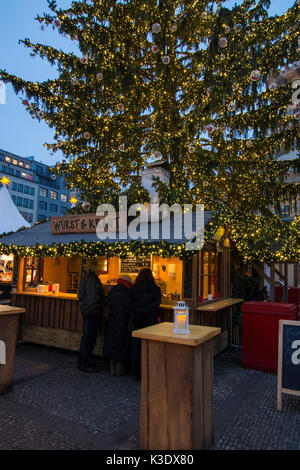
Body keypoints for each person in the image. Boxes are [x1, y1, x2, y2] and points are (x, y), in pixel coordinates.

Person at [129, 268, 161, 380]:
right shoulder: (156, 289)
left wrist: (139, 311)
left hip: (136, 321)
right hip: (150, 321)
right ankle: (148, 372)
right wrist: (148, 310)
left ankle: (136, 373)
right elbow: (157, 303)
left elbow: (130, 304)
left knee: (136, 348)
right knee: (149, 347)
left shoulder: (133, 288)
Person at [78, 259, 105, 372]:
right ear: (94, 267)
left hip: (88, 312)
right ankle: (85, 363)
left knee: (88, 337)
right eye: (100, 266)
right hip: (92, 313)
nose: (101, 269)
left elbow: (82, 296)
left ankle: (85, 360)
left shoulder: (86, 277)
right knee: (89, 337)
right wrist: (97, 311)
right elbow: (92, 298)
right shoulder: (92, 280)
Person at [103, 275, 133, 376]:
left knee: (112, 343)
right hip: (124, 322)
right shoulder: (128, 292)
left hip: (112, 321)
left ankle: (112, 369)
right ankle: (120, 370)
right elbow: (131, 308)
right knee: (122, 345)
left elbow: (107, 303)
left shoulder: (113, 290)